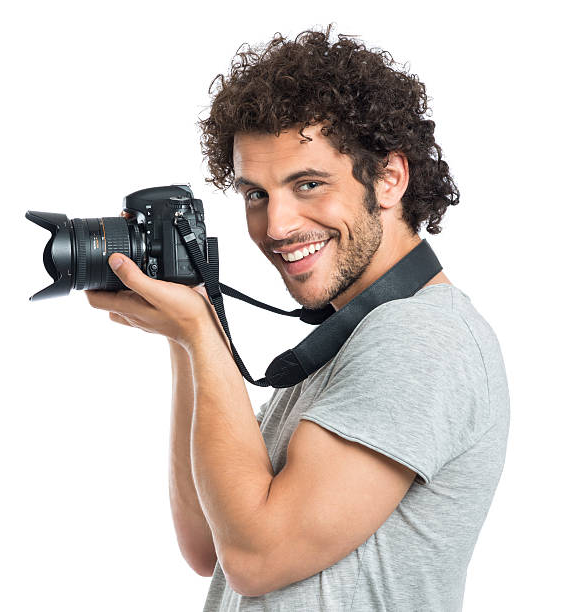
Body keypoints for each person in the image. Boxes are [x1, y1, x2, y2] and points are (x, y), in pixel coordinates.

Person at [86, 25, 509, 612]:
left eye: (308, 184)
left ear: (389, 178)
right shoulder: (349, 341)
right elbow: (208, 542)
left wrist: (203, 336)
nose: (277, 225)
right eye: (255, 194)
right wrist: (186, 338)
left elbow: (256, 560)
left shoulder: (419, 337)